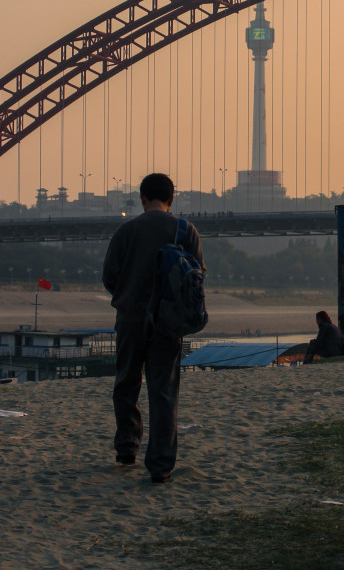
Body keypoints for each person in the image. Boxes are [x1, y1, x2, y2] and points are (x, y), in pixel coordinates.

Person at [102, 172, 205, 483]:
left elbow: (109, 276)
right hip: (168, 324)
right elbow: (198, 277)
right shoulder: (186, 231)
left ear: (142, 199)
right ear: (171, 199)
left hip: (130, 319)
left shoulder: (125, 231)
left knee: (126, 385)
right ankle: (160, 466)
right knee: (163, 392)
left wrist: (130, 294)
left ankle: (127, 449)